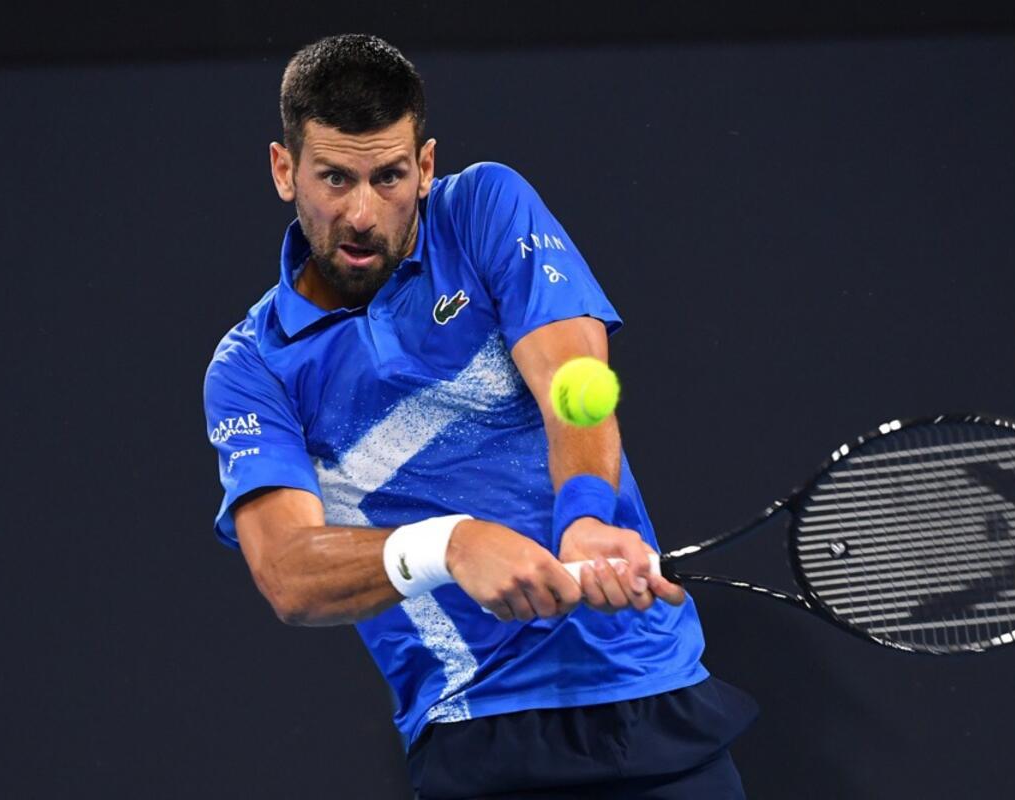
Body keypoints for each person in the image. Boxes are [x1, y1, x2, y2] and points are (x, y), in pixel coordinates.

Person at [203, 33, 755, 799]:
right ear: (283, 169)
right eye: (334, 178)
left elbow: (570, 376)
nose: (361, 213)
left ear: (425, 166)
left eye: (389, 176)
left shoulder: (482, 209)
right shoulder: (252, 367)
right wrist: (449, 545)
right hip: (478, 730)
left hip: (651, 693)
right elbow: (288, 572)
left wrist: (585, 515)